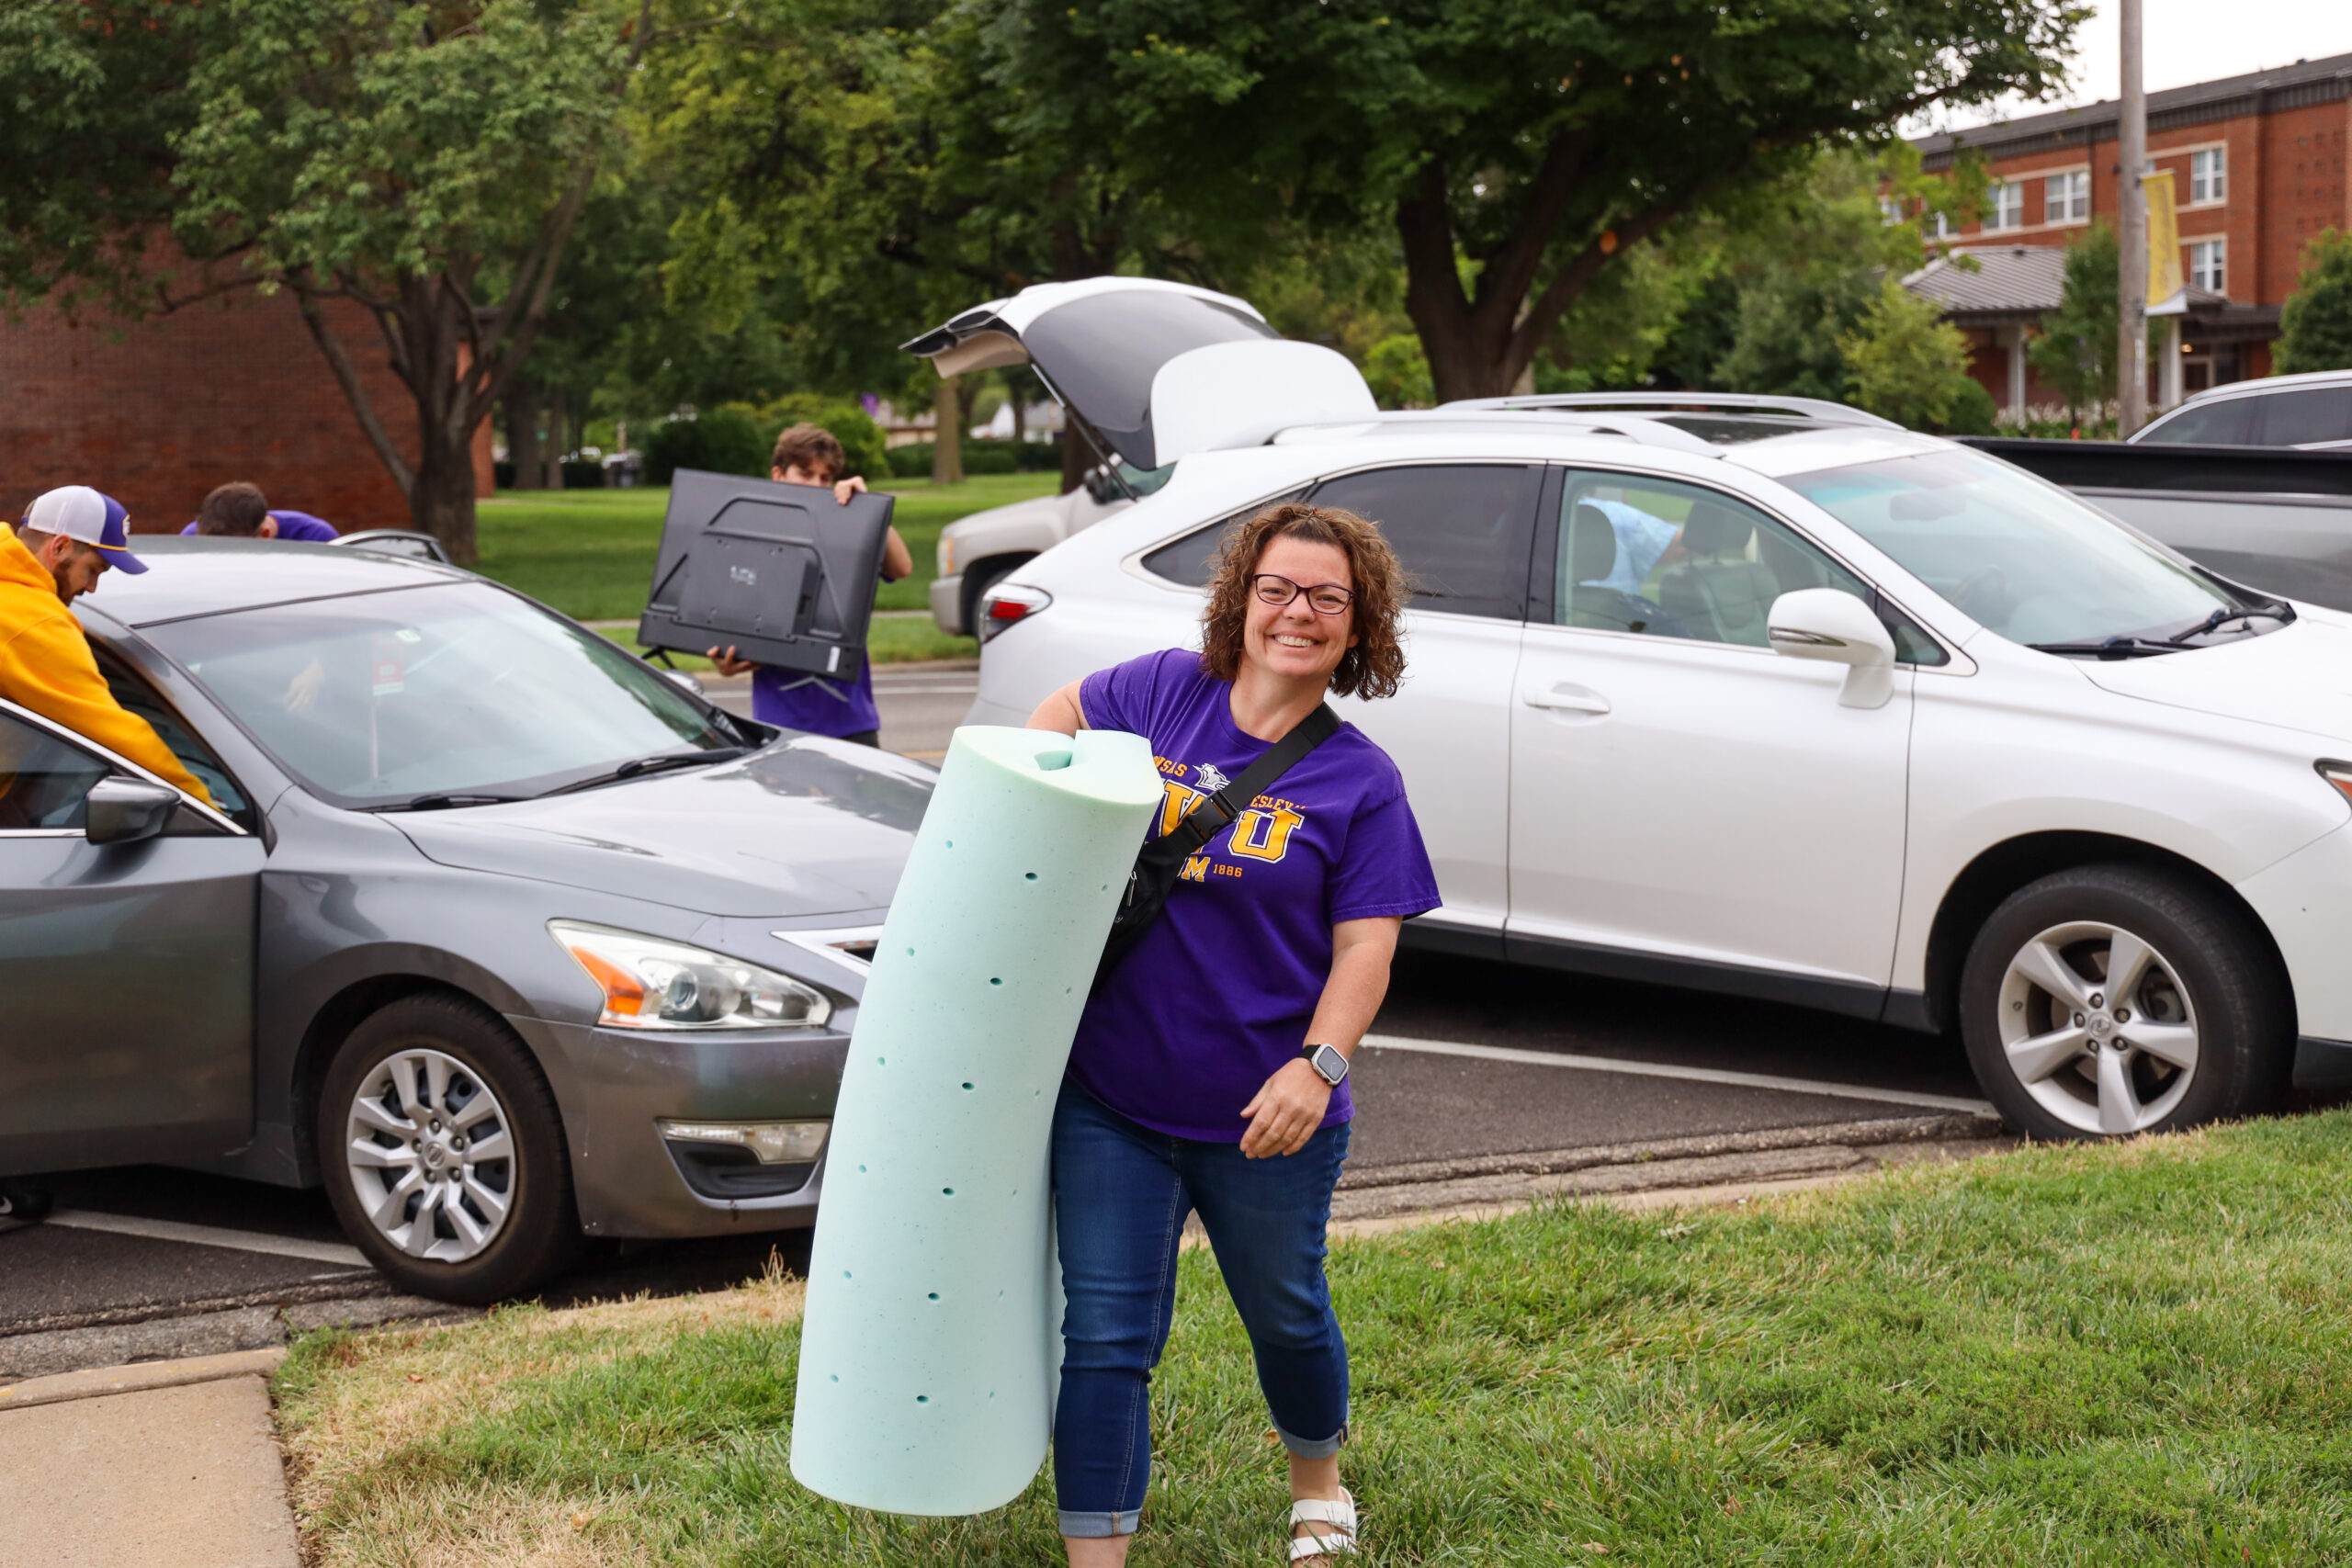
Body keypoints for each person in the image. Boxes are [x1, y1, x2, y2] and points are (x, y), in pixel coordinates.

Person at [1025, 502, 1439, 1566]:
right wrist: (1042, 830)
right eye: (1277, 590)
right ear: (1241, 600)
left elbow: (1364, 951)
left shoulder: (1359, 781)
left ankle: (1319, 1490)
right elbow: (1054, 719)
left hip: (1268, 1110)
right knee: (1106, 1341)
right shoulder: (1163, 689)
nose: (1296, 613)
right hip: (1110, 1096)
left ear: (1358, 627)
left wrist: (1319, 1064)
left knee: (1287, 1314)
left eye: (1326, 599)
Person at [2, 485, 214, 805]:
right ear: (59, 547)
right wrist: (201, 803)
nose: (91, 587)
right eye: (93, 569)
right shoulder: (33, 620)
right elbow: (115, 734)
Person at [706, 423, 911, 748]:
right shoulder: (750, 537)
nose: (817, 485)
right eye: (805, 474)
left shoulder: (848, 532)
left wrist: (870, 509)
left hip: (851, 720)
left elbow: (901, 568)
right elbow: (727, 619)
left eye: (825, 478)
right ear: (779, 475)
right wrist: (726, 663)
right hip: (780, 724)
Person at [178, 481, 340, 541]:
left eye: (229, 550)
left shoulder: (318, 538)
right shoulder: (191, 538)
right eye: (209, 547)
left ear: (265, 535)